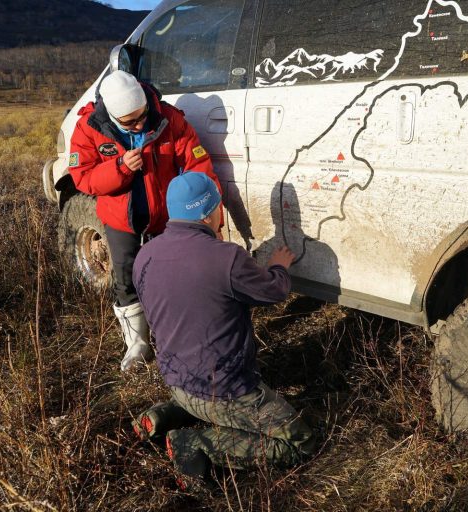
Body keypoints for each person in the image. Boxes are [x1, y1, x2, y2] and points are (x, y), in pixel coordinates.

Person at [131, 172, 317, 489]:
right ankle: (197, 443)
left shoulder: (145, 255)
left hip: (177, 381)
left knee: (199, 393)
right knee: (301, 442)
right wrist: (278, 267)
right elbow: (273, 292)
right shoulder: (226, 257)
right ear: (210, 213)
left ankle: (161, 417)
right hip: (227, 392)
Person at [68, 70, 222, 371]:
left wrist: (206, 214)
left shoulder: (169, 119)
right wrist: (120, 167)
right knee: (125, 278)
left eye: (143, 116)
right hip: (120, 220)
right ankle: (137, 344)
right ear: (111, 115)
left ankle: (177, 341)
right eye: (130, 122)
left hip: (166, 220)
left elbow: (197, 164)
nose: (140, 124)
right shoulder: (88, 128)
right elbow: (83, 178)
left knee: (172, 278)